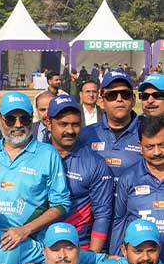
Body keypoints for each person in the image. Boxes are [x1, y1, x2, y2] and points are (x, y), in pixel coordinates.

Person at [0, 91, 70, 247]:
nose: (18, 125)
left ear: (32, 118)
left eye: (24, 118)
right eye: (11, 119)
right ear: (0, 118)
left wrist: (25, 230)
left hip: (28, 244)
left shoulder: (47, 154)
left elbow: (61, 204)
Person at [46, 95, 114, 252]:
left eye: (75, 125)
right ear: (49, 123)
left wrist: (92, 256)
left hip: (77, 248)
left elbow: (102, 216)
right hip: (39, 247)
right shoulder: (35, 156)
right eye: (63, 124)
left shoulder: (95, 163)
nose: (70, 130)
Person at [111, 115, 164, 251]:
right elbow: (120, 220)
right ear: (140, 147)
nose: (157, 152)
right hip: (141, 260)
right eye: (150, 147)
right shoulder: (129, 178)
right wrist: (116, 256)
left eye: (162, 145)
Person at [79, 69, 141, 180]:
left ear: (133, 100)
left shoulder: (148, 134)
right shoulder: (85, 135)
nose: (119, 99)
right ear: (102, 101)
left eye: (125, 94)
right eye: (112, 95)